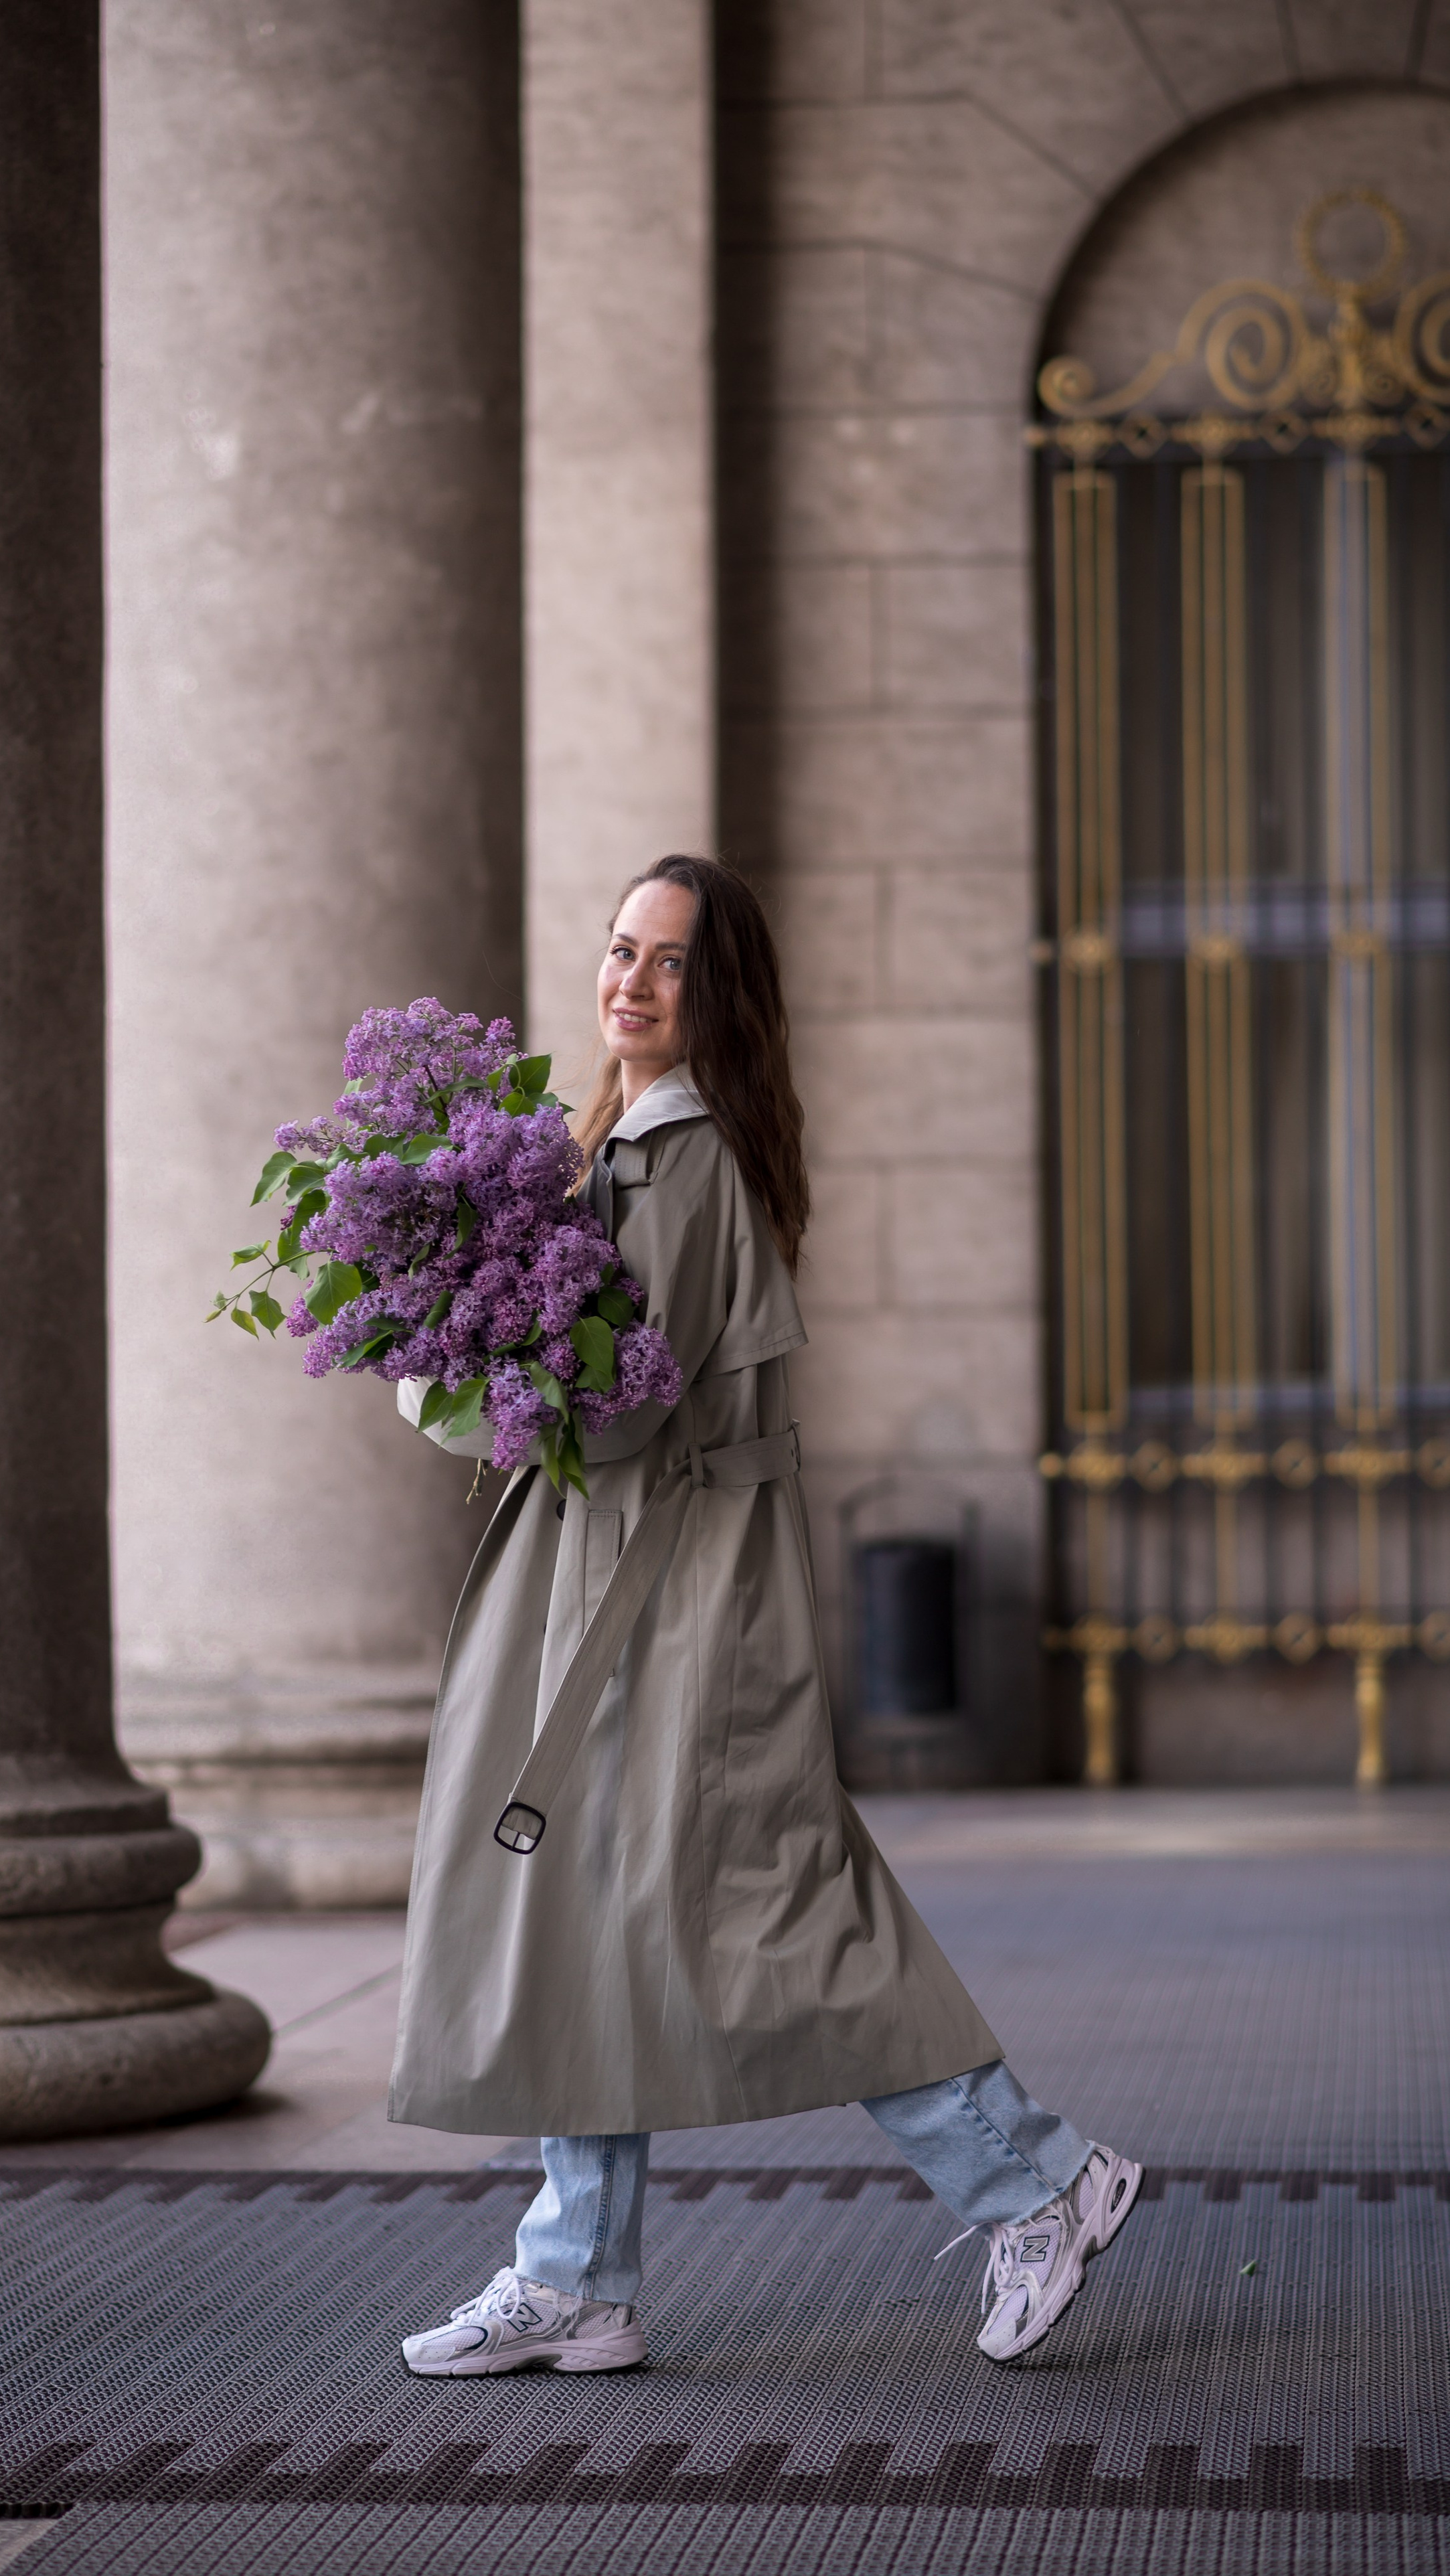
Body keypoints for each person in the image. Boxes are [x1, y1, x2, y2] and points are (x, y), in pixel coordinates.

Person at [390, 853, 1140, 2377]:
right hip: (630, 1586)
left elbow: (603, 1416)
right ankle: (578, 2272)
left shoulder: (682, 1162)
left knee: (776, 1908)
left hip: (679, 1601)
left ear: (717, 992)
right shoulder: (626, 1146)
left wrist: (429, 1380)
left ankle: (1041, 2179)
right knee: (587, 1909)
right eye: (618, 949)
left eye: (668, 961)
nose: (630, 980)